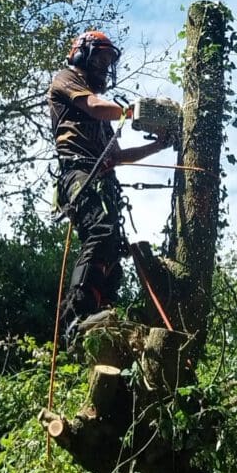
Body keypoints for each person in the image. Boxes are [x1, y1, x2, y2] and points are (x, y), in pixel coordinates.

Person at [48, 30, 172, 343]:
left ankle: (103, 316)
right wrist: (133, 112)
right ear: (82, 55)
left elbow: (116, 156)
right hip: (78, 173)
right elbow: (93, 105)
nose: (105, 67)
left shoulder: (104, 116)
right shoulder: (67, 79)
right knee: (100, 231)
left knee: (113, 246)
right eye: (101, 60)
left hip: (103, 179)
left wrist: (158, 145)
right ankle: (77, 317)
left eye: (108, 62)